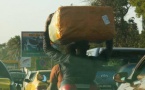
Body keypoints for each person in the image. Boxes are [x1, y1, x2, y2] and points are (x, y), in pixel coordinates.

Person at [44, 13, 113, 90]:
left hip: (68, 85)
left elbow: (47, 48)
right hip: (90, 85)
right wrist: (108, 25)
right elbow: (108, 49)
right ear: (87, 47)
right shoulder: (93, 61)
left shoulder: (64, 59)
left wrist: (47, 25)